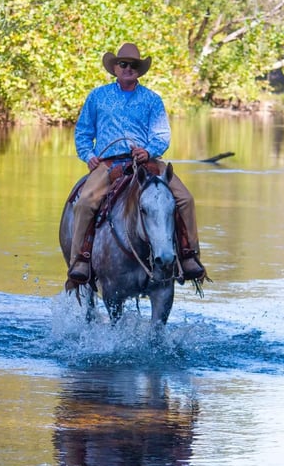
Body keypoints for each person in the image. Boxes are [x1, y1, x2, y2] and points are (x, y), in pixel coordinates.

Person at [67, 42, 206, 284]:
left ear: (139, 70)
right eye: (123, 64)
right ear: (115, 68)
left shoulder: (152, 100)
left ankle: (188, 255)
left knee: (185, 199)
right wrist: (88, 155)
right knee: (85, 202)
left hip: (146, 161)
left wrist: (149, 150)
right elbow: (83, 131)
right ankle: (81, 259)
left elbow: (162, 135)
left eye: (133, 65)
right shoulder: (98, 96)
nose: (128, 68)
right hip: (108, 164)